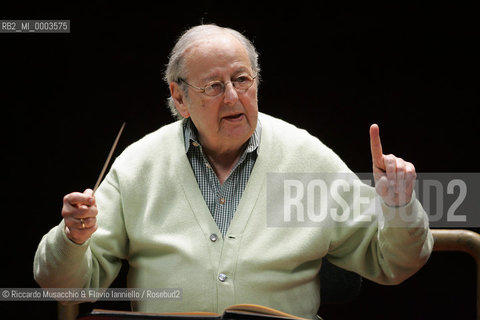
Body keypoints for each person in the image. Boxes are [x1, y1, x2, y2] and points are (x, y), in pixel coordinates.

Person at [34, 24, 433, 319]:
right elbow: (64, 286)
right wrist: (74, 238)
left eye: (242, 80)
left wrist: (400, 207)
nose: (233, 97)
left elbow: (393, 262)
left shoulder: (307, 159)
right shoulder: (140, 164)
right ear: (180, 96)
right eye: (213, 85)